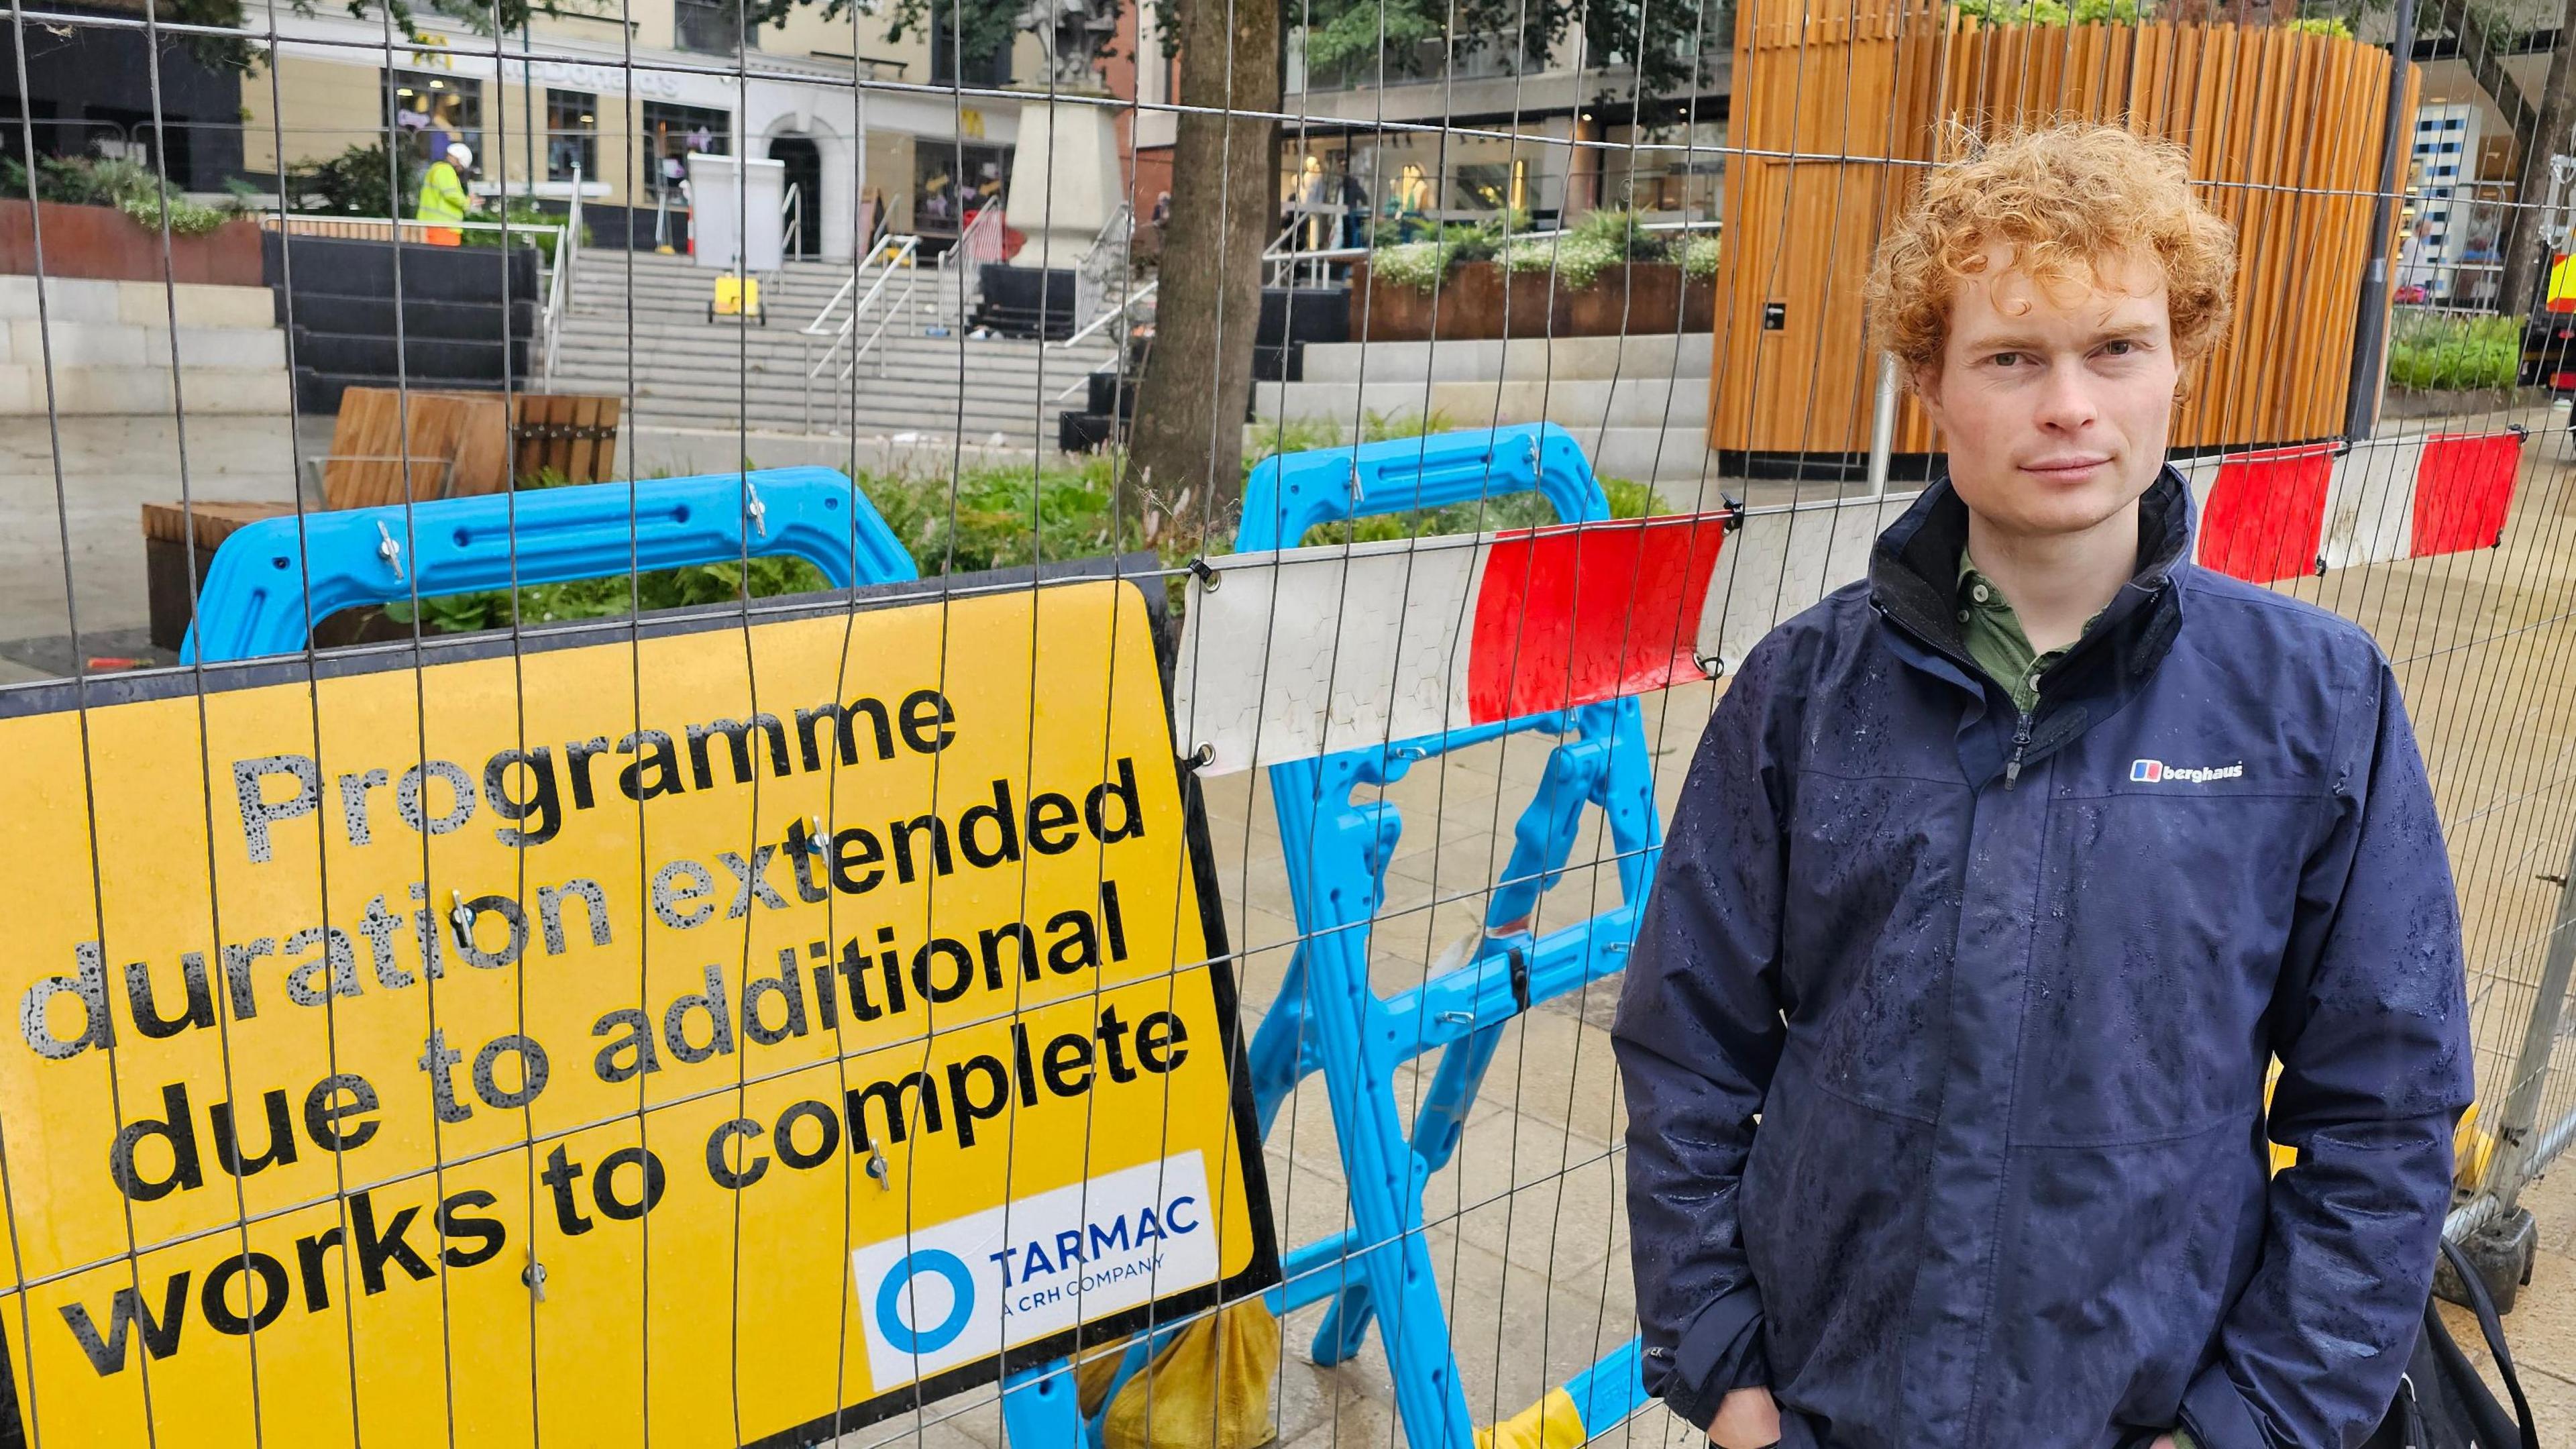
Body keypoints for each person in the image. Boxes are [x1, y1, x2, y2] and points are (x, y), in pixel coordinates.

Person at [1614, 122, 2471, 1449]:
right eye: (2012, 358)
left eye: (2115, 348)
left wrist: (2258, 1422)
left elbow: (2387, 1107)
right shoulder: (1800, 696)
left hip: (2159, 1407)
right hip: (1839, 1404)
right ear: (1928, 382)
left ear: (2180, 359)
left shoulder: (2316, 703)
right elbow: (1687, 1049)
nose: (2069, 405)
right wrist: (1725, 1378)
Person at [416, 142, 472, 247]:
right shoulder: (446, 170)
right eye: (461, 168)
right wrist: (468, 202)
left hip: (432, 226)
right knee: (445, 261)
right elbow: (451, 194)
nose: (459, 171)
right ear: (459, 161)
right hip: (444, 228)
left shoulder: (436, 168)